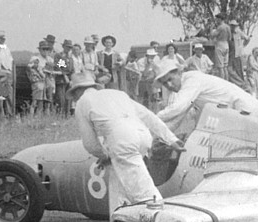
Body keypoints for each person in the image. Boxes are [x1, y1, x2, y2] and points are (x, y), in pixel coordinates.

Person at [66, 71, 185, 212]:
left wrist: (104, 155)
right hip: (142, 136)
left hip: (123, 141)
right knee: (119, 184)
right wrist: (171, 139)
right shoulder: (117, 94)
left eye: (74, 95)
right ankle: (118, 219)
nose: (74, 99)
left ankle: (160, 218)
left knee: (144, 192)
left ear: (77, 91)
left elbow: (89, 143)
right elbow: (148, 116)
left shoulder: (82, 102)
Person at [155, 62, 258, 132]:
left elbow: (177, 108)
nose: (169, 85)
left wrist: (151, 118)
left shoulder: (192, 80)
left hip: (245, 109)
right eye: (165, 83)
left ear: (179, 73)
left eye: (170, 79)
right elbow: (177, 118)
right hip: (243, 110)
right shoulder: (188, 87)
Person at [27, 40, 54, 116]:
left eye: (47, 49)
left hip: (48, 81)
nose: (45, 51)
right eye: (43, 49)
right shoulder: (36, 58)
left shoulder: (50, 59)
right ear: (40, 50)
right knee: (37, 100)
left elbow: (58, 67)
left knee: (48, 100)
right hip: (38, 81)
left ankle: (45, 116)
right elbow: (30, 68)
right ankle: (33, 116)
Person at [53, 39, 73, 115]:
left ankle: (67, 115)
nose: (68, 49)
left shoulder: (70, 58)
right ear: (63, 46)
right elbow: (59, 68)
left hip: (69, 80)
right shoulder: (60, 56)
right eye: (67, 47)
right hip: (61, 80)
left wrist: (71, 79)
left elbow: (72, 69)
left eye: (70, 47)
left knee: (68, 98)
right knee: (61, 99)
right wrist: (64, 75)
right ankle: (60, 114)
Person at [210, 13, 231, 80]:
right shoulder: (228, 27)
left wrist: (211, 29)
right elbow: (230, 38)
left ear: (220, 19)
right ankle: (226, 81)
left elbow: (212, 35)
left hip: (220, 44)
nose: (216, 20)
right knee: (225, 67)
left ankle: (222, 81)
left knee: (221, 67)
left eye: (217, 19)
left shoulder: (220, 27)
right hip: (226, 44)